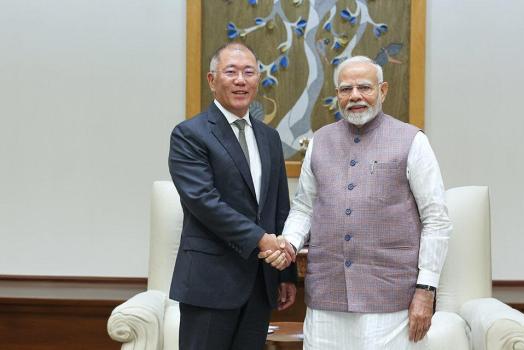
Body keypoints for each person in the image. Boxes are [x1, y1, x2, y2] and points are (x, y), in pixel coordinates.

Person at [261, 56, 452, 349]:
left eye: (364, 87)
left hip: (391, 300)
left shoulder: (412, 141)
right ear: (337, 95)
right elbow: (304, 208)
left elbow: (436, 219)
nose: (355, 96)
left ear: (383, 90)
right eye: (345, 89)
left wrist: (426, 290)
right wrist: (288, 244)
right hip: (327, 298)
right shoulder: (319, 142)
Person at [168, 42, 297, 350]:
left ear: (258, 81)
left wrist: (286, 273)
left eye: (249, 72)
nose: (241, 80)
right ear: (212, 81)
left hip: (259, 283)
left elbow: (280, 206)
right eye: (231, 72)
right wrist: (262, 240)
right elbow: (203, 201)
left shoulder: (270, 137)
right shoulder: (190, 134)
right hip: (209, 282)